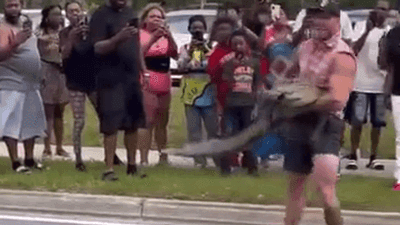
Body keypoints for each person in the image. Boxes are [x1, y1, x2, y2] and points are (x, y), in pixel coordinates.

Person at [278, 4, 356, 225]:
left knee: (326, 190)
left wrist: (301, 100)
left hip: (326, 124)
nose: (316, 22)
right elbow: (287, 76)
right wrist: (280, 92)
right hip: (299, 121)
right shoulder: (305, 47)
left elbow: (337, 99)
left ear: (336, 21)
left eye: (322, 18)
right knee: (295, 187)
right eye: (313, 18)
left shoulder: (341, 55)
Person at [89, 0, 146, 181]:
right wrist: (117, 38)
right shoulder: (100, 15)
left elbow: (136, 44)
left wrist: (143, 70)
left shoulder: (130, 13)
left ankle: (132, 166)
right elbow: (97, 48)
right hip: (110, 79)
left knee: (132, 124)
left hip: (131, 77)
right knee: (111, 125)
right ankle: (108, 169)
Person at [0, 0, 47, 173]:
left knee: (31, 121)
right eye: (9, 5)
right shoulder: (2, 28)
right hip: (11, 81)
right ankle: (15, 161)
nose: (13, 9)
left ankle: (29, 158)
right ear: (4, 8)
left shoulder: (26, 27)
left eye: (16, 5)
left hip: (31, 82)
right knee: (11, 122)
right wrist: (15, 43)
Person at [345, 0, 391, 171]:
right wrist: (367, 31)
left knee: (377, 123)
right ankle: (353, 155)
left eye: (385, 10)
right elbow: (354, 49)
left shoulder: (388, 32)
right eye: (379, 9)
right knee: (357, 121)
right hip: (361, 83)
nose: (381, 12)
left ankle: (374, 157)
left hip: (380, 83)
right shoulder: (361, 27)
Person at [138, 3, 178, 165]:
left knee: (163, 122)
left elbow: (174, 54)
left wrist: (169, 37)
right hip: (147, 79)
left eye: (160, 17)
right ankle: (144, 159)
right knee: (147, 121)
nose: (157, 19)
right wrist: (153, 38)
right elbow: (139, 54)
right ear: (145, 19)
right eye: (153, 16)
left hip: (164, 79)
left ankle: (163, 156)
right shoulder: (140, 34)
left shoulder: (165, 35)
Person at [177, 15, 219, 168]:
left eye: (200, 29)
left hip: (208, 93)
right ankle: (199, 162)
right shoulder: (185, 48)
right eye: (194, 28)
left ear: (205, 30)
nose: (197, 31)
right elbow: (181, 65)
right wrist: (189, 56)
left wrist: (205, 49)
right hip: (190, 95)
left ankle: (217, 159)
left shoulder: (211, 48)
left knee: (213, 130)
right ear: (189, 30)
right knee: (194, 131)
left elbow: (214, 65)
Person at [36, 5, 70, 159]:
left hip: (62, 73)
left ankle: (60, 147)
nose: (58, 17)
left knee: (59, 112)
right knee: (48, 111)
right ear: (47, 17)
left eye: (59, 14)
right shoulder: (40, 33)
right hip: (47, 70)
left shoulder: (65, 33)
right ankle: (47, 147)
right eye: (54, 14)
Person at [382, 2, 400, 190]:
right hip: (398, 90)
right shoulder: (393, 35)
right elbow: (386, 61)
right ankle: (399, 177)